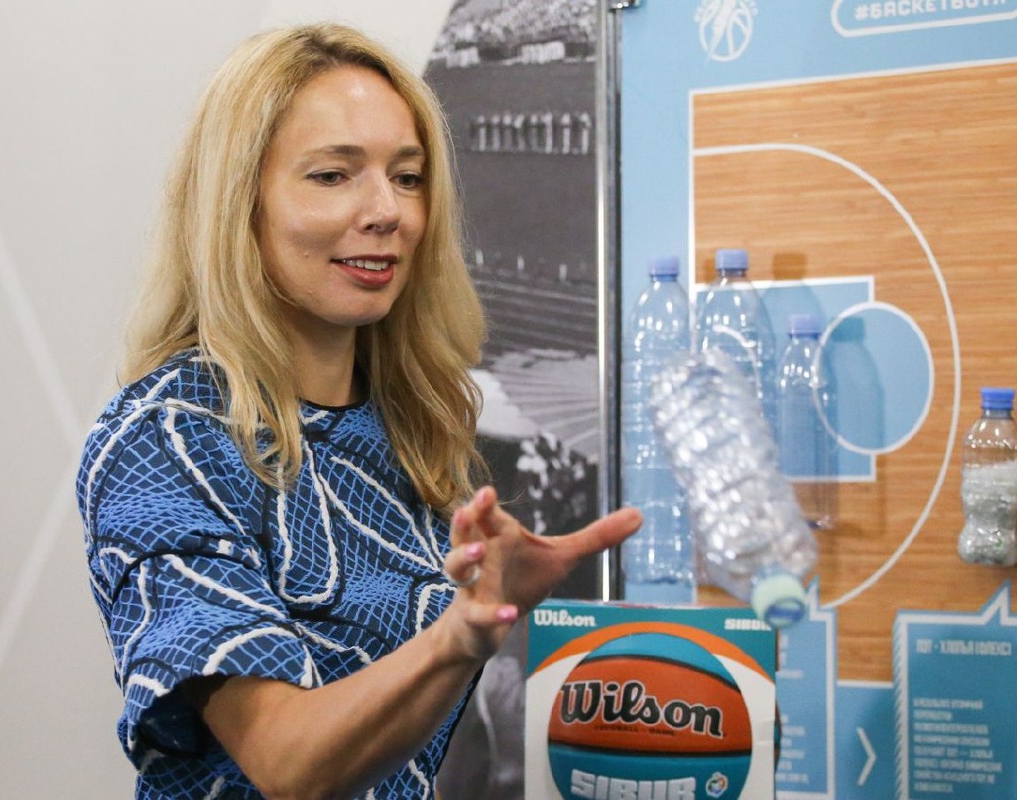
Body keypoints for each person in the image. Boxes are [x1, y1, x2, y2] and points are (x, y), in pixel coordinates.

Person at [75, 22, 641, 800]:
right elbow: (288, 765)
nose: (386, 211)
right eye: (333, 175)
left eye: (407, 177)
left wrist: (494, 612)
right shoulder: (168, 436)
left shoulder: (413, 426)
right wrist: (456, 638)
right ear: (239, 202)